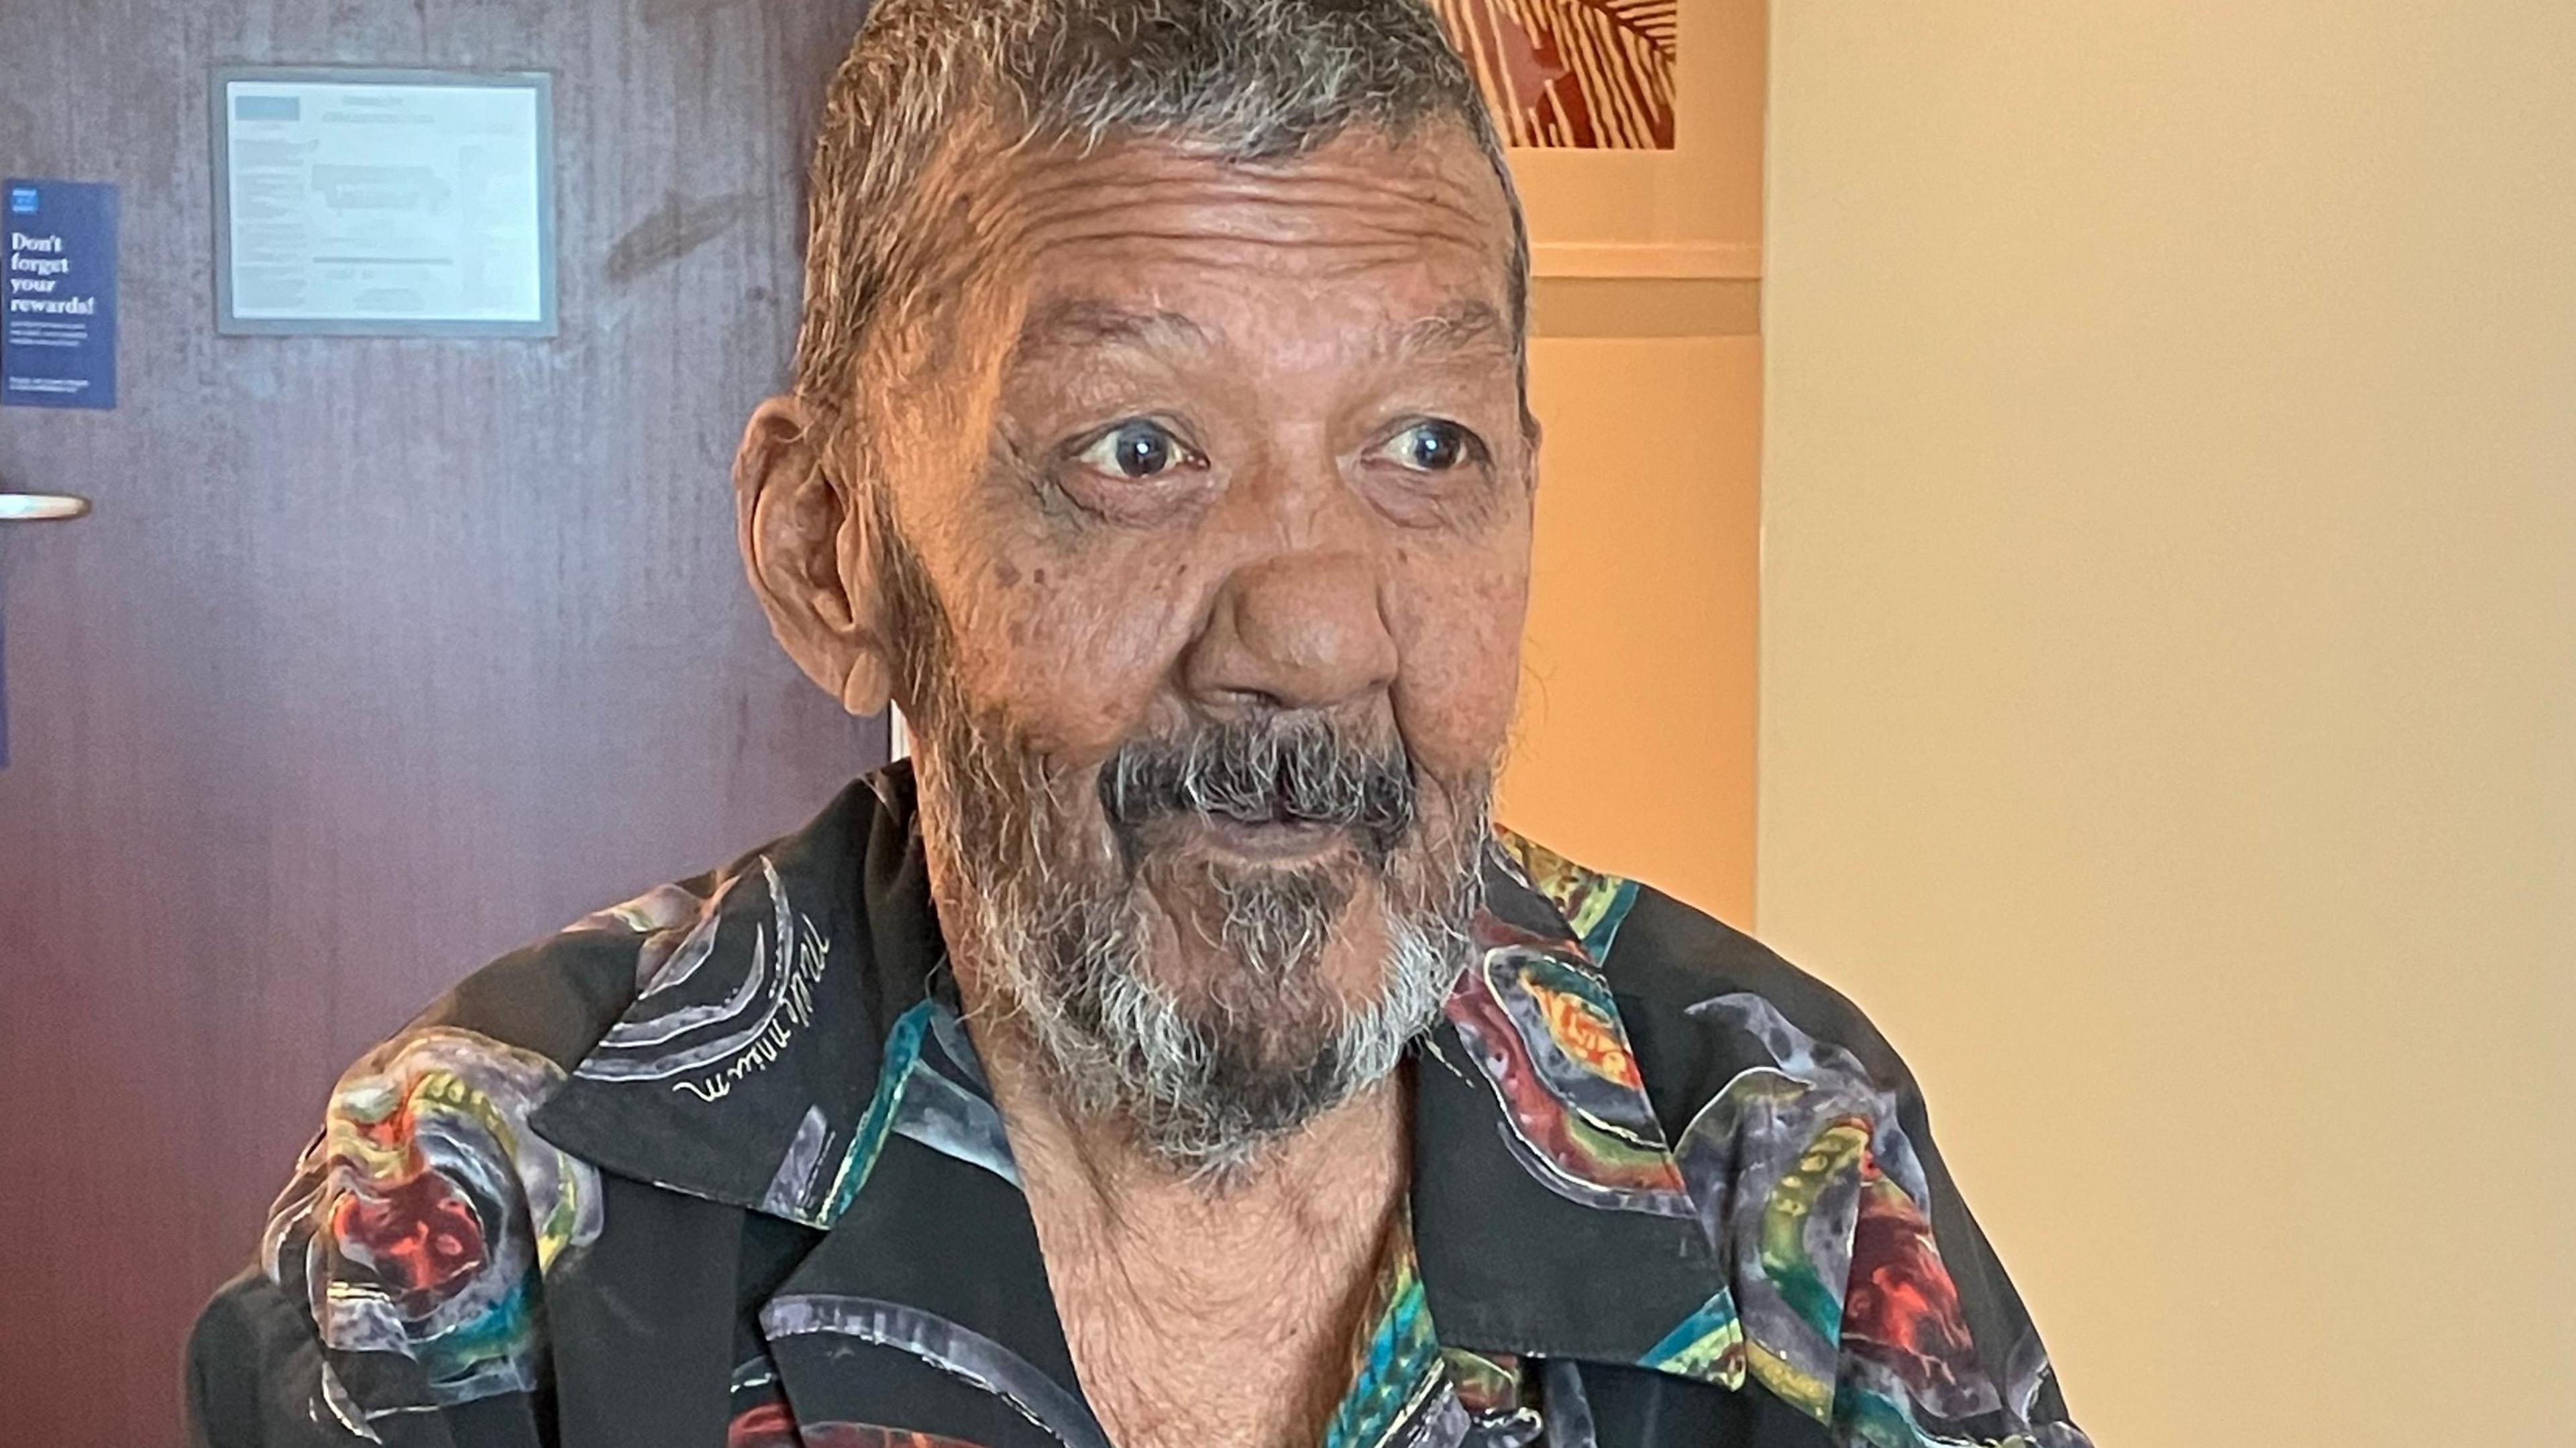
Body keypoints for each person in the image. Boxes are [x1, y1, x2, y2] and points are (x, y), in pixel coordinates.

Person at [186, 3, 2090, 1445]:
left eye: (1426, 448)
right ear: (830, 550)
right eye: (1139, 450)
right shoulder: (495, 1202)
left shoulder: (1769, 1148)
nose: (1317, 627)